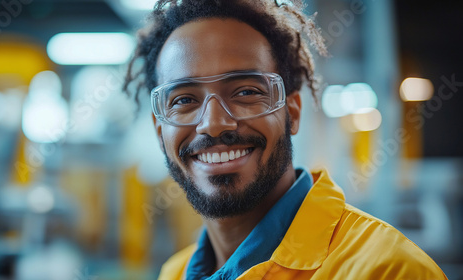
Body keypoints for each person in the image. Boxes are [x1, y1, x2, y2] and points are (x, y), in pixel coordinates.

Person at [124, 0, 448, 279]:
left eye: (246, 92)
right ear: (158, 128)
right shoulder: (175, 273)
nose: (213, 124)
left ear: (292, 111)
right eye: (183, 100)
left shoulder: (389, 270)